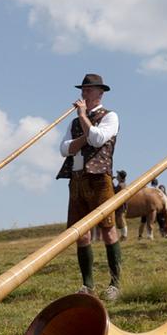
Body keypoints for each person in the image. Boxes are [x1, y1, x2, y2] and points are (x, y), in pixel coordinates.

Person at [58, 73, 122, 301]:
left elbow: (97, 139)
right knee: (80, 234)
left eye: (88, 90)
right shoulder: (74, 122)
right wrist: (83, 133)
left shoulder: (110, 116)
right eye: (83, 90)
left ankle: (115, 284)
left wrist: (83, 116)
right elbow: (65, 149)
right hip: (77, 179)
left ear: (100, 93)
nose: (84, 94)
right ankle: (88, 285)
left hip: (99, 178)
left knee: (108, 228)